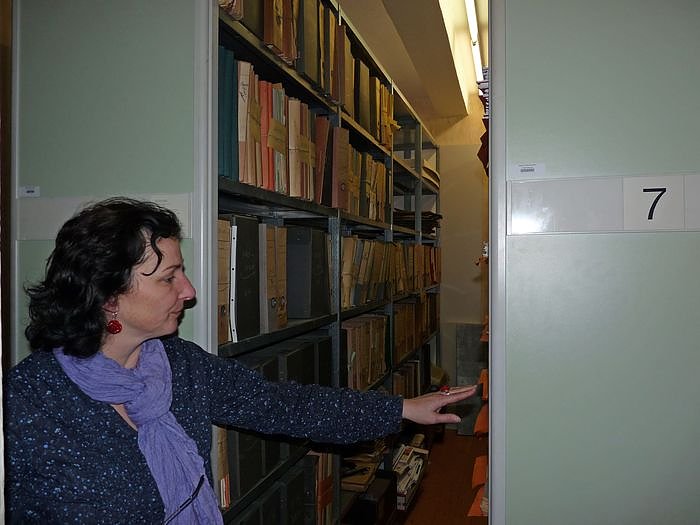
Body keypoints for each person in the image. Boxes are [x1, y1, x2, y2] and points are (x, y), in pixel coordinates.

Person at [4, 197, 476, 524]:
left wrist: (401, 409)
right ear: (108, 295)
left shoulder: (179, 365)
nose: (189, 292)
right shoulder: (30, 400)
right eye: (169, 278)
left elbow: (284, 406)